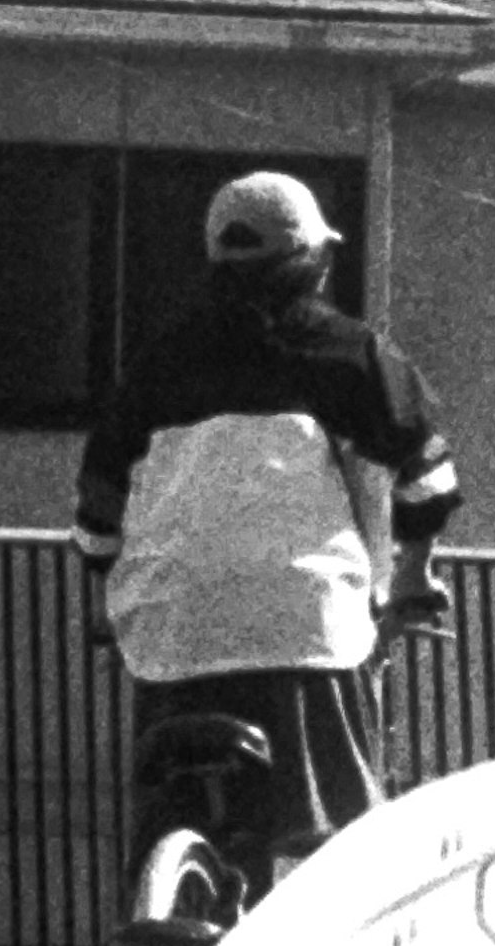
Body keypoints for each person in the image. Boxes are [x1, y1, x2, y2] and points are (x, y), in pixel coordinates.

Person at [72, 168, 463, 874]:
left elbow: (99, 508)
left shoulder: (158, 364)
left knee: (172, 828)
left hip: (170, 634)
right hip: (304, 632)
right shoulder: (354, 355)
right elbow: (428, 483)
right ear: (313, 261)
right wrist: (411, 574)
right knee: (334, 846)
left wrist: (103, 600)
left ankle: (166, 923)